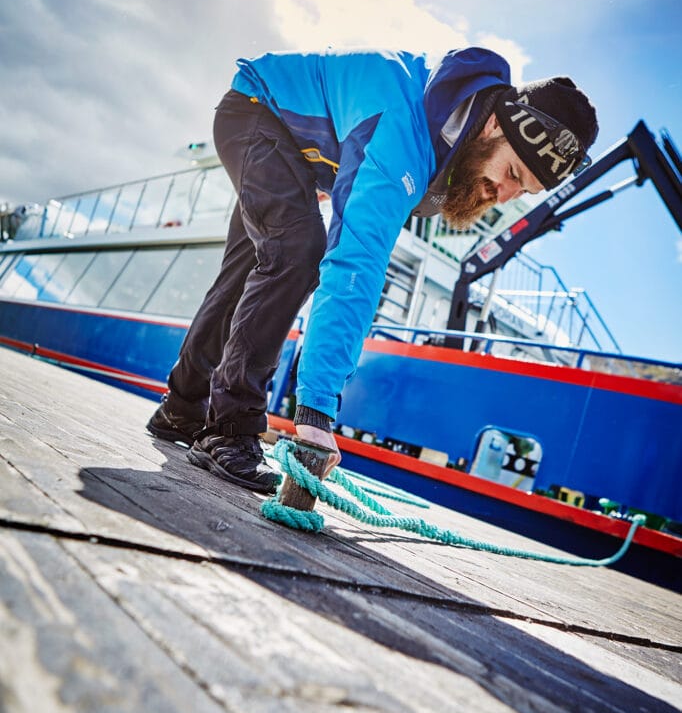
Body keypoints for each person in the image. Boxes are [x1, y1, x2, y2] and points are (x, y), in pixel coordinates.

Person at [147, 46, 598, 493]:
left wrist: (322, 171)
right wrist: (316, 410)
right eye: (513, 174)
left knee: (244, 274)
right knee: (296, 253)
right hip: (256, 109)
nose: (504, 195)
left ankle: (181, 409)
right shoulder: (402, 129)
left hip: (298, 150)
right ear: (496, 123)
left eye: (524, 193)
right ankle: (229, 427)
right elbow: (355, 265)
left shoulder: (446, 138)